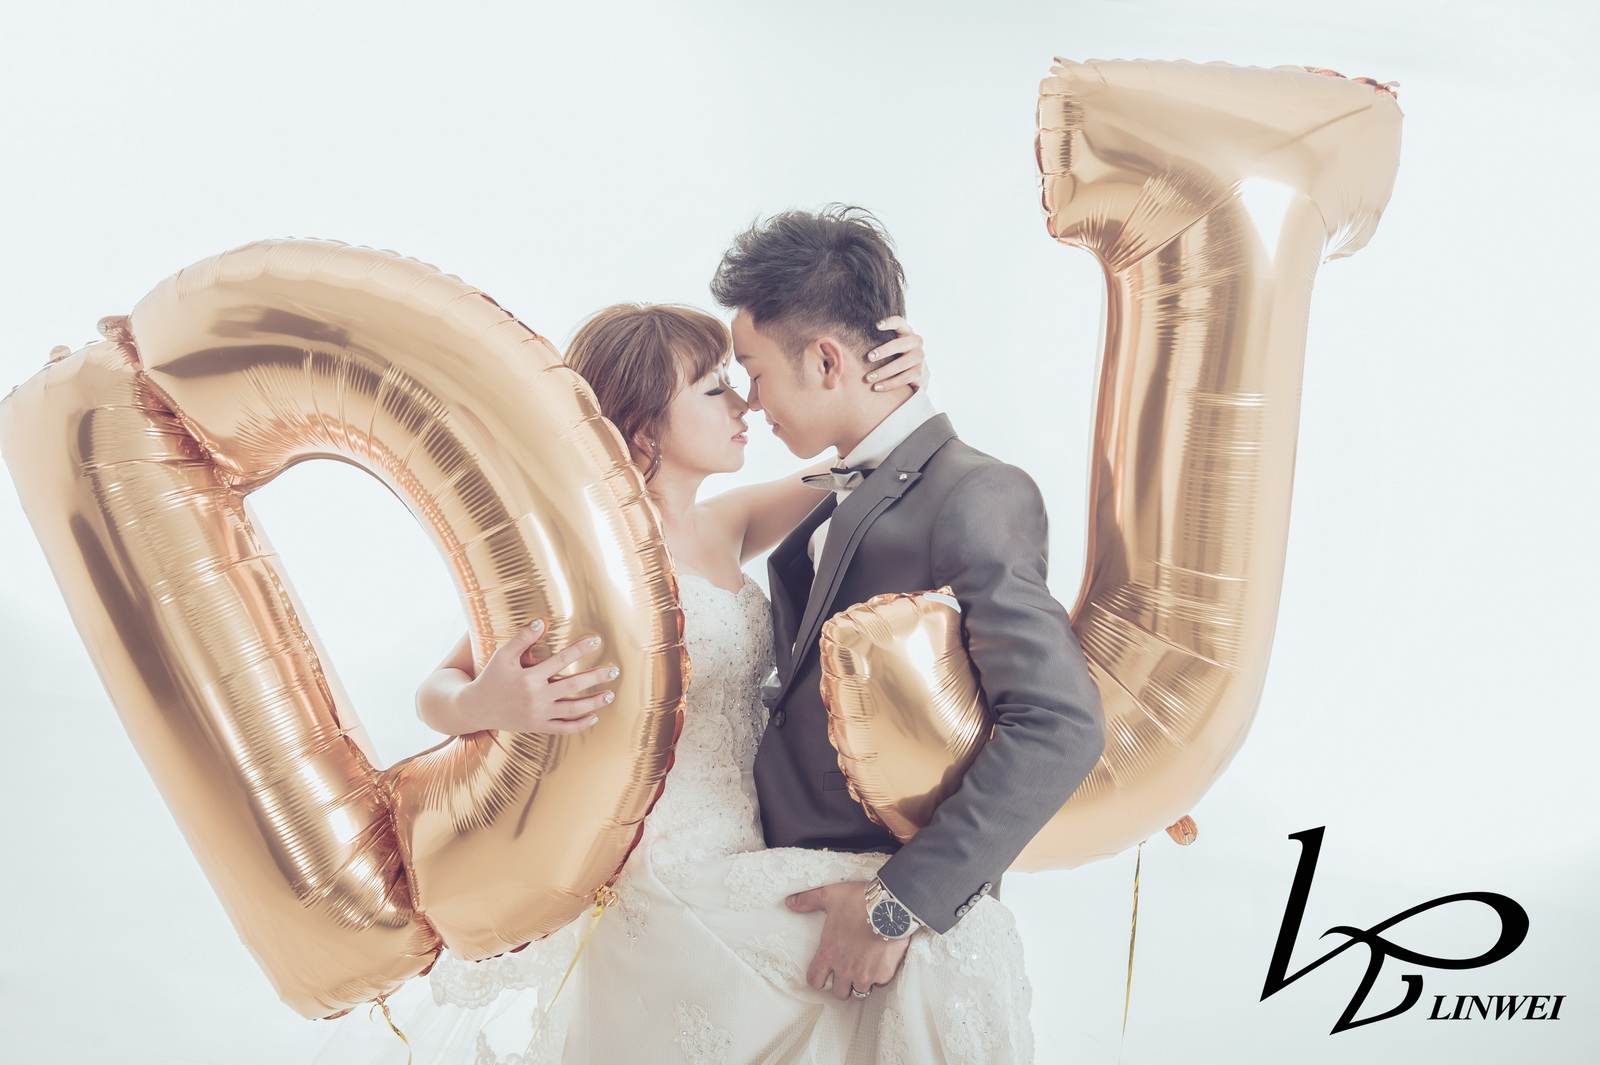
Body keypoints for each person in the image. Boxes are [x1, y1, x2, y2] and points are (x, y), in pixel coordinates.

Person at [316, 206, 1100, 1064]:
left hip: (753, 846)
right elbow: (441, 685)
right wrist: (485, 703)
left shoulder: (731, 524)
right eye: (719, 386)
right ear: (644, 427)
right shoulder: (596, 565)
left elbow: (868, 467)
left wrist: (900, 385)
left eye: (745, 375)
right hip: (673, 866)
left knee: (940, 954)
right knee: (935, 963)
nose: (746, 401)